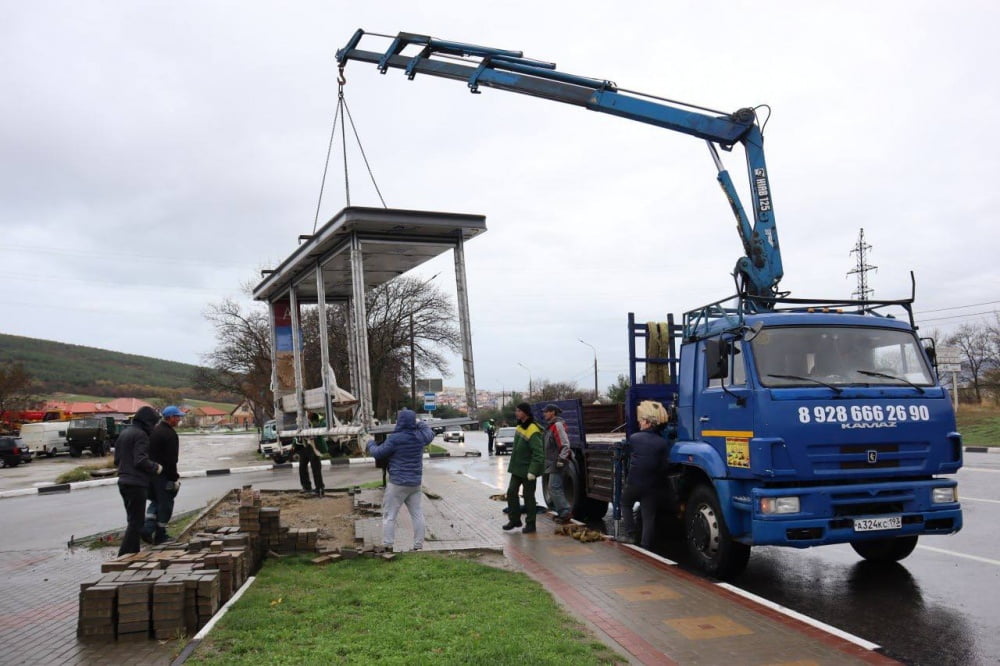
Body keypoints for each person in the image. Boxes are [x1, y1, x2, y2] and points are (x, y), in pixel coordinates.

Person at [365, 409, 435, 552]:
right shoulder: (420, 437)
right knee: (417, 514)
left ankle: (388, 545)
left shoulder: (395, 439)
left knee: (390, 515)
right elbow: (429, 432)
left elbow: (378, 454)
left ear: (399, 422)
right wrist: (419, 423)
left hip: (397, 483)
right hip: (415, 483)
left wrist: (370, 443)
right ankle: (418, 546)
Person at [619, 400, 671, 549]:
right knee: (649, 515)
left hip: (634, 482)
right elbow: (664, 466)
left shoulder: (635, 438)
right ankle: (646, 544)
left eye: (642, 421)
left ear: (648, 423)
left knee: (625, 503)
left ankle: (630, 534)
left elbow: (628, 455)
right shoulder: (662, 442)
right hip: (652, 484)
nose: (640, 423)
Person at [114, 406, 163, 556]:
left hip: (123, 482)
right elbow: (140, 460)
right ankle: (123, 556)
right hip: (136, 483)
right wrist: (156, 467)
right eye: (153, 423)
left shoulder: (124, 433)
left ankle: (133, 554)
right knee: (136, 522)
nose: (154, 427)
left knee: (133, 521)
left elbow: (117, 460)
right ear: (147, 422)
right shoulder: (141, 435)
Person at [141, 405, 184, 545]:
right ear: (170, 417)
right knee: (166, 504)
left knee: (155, 502)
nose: (179, 419)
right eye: (177, 417)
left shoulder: (154, 431)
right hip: (164, 476)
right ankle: (160, 534)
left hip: (151, 474)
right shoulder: (170, 434)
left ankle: (147, 529)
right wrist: (174, 478)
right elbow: (171, 459)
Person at [503, 402, 545, 534]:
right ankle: (515, 520)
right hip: (517, 469)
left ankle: (531, 523)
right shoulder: (520, 427)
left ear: (525, 413)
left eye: (518, 411)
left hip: (528, 471)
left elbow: (538, 454)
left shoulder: (533, 429)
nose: (516, 413)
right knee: (511, 493)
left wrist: (533, 471)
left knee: (528, 497)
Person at [541, 403, 573, 524]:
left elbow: (565, 444)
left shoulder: (557, 425)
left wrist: (561, 460)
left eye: (546, 412)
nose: (544, 414)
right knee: (553, 487)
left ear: (552, 412)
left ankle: (565, 513)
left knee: (554, 488)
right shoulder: (550, 426)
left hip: (557, 462)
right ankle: (562, 512)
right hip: (553, 462)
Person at [297, 413, 326, 497]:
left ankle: (319, 488)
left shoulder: (317, 420)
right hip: (305, 445)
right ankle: (306, 487)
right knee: (302, 467)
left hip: (314, 446)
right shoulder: (302, 419)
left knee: (316, 468)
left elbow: (321, 426)